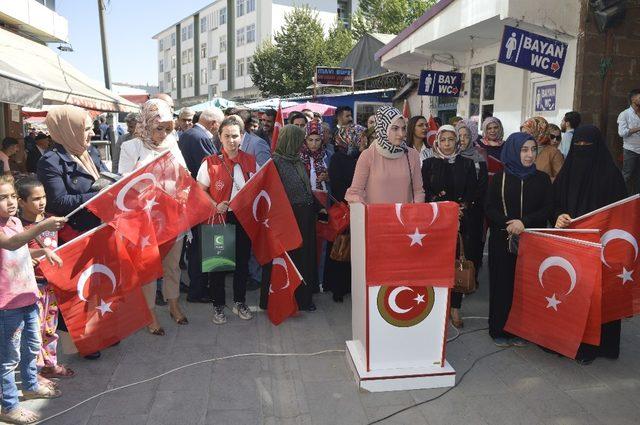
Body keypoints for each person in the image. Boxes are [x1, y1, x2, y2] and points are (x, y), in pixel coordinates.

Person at [37, 105, 109, 360]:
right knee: (79, 290)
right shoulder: (50, 162)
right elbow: (58, 202)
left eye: (90, 128)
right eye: (85, 129)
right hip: (74, 234)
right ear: (68, 130)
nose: (91, 134)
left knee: (99, 285)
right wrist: (98, 194)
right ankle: (82, 342)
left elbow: (102, 179)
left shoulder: (88, 154)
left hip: (99, 229)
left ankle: (102, 331)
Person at [554, 125, 627, 364]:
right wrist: (559, 215)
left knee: (599, 295)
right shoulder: (568, 172)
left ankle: (599, 345)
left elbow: (620, 213)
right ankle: (571, 339)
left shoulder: (611, 175)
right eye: (578, 146)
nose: (582, 150)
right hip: (572, 245)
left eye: (588, 146)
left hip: (602, 246)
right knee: (575, 291)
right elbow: (554, 202)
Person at [118, 99, 189, 334]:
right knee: (148, 269)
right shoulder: (131, 147)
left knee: (173, 266)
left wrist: (185, 187)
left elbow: (184, 173)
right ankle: (149, 313)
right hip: (145, 221)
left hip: (172, 217)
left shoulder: (172, 144)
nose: (164, 133)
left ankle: (174, 304)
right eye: (159, 128)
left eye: (169, 128)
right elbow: (123, 185)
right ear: (146, 124)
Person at [0, 175, 67, 425]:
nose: (10, 202)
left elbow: (23, 249)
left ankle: (29, 384)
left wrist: (44, 251)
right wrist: (42, 226)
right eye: (2, 198)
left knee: (32, 346)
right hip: (7, 305)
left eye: (11, 197)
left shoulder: (15, 221)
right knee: (8, 358)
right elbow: (12, 243)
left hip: (28, 296)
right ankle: (8, 405)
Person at [485, 132, 552, 347]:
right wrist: (509, 223)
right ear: (514, 150)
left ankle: (522, 329)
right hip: (503, 239)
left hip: (532, 241)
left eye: (533, 149)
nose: (530, 155)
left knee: (526, 287)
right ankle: (499, 328)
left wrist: (525, 222)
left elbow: (548, 208)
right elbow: (489, 207)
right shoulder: (500, 177)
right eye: (524, 150)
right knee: (502, 284)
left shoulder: (541, 179)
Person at [196, 118, 255, 325]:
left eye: (235, 136)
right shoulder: (210, 162)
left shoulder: (250, 160)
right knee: (218, 266)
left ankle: (240, 302)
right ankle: (218, 306)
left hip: (244, 219)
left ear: (242, 137)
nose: (231, 140)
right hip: (218, 219)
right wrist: (214, 204)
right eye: (227, 136)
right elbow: (199, 190)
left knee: (241, 264)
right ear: (219, 137)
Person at [16, 177, 75, 385]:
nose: (41, 202)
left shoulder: (51, 219)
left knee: (50, 328)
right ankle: (35, 371)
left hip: (51, 285)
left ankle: (50, 364)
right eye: (35, 199)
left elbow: (71, 238)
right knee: (33, 331)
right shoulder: (19, 226)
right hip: (31, 287)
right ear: (21, 202)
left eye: (43, 197)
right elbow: (15, 248)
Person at [422, 125, 478, 328]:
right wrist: (442, 207)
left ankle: (455, 308)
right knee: (437, 264)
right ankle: (436, 306)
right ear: (437, 141)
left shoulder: (467, 164)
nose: (447, 144)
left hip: (460, 222)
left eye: (451, 140)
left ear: (457, 142)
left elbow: (473, 192)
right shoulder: (428, 164)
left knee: (457, 263)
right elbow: (425, 192)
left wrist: (460, 209)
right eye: (443, 139)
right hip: (436, 222)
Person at [260, 125, 320, 311]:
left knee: (304, 259)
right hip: (287, 219)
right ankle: (278, 300)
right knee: (286, 260)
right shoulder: (275, 163)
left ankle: (302, 299)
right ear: (290, 141)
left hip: (304, 217)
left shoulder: (296, 160)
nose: (302, 144)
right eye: (299, 140)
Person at [345, 106, 425, 204]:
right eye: (395, 128)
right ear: (383, 128)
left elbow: (418, 191)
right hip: (376, 217)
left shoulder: (412, 155)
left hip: (403, 218)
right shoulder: (367, 156)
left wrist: (413, 212)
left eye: (403, 129)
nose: (401, 134)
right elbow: (356, 192)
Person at [324, 119, 360, 303]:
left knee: (355, 251)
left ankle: (350, 286)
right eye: (357, 138)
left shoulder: (360, 156)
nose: (361, 141)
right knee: (342, 249)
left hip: (359, 209)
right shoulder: (338, 158)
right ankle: (338, 288)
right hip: (346, 209)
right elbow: (338, 186)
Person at [455, 118, 488, 287]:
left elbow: (482, 186)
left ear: (472, 137)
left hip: (473, 210)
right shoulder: (451, 158)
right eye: (459, 135)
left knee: (472, 245)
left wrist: (468, 202)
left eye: (466, 135)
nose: (462, 139)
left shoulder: (479, 159)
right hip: (455, 210)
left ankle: (470, 280)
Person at [617, 88, 640, 194]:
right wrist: (637, 128)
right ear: (633, 99)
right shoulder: (624, 114)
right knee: (627, 175)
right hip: (630, 149)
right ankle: (621, 198)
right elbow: (622, 132)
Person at [301, 121, 330, 191]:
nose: (314, 144)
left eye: (317, 140)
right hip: (305, 199)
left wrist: (329, 178)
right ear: (305, 140)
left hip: (325, 198)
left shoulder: (329, 156)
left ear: (322, 140)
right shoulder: (299, 157)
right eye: (310, 140)